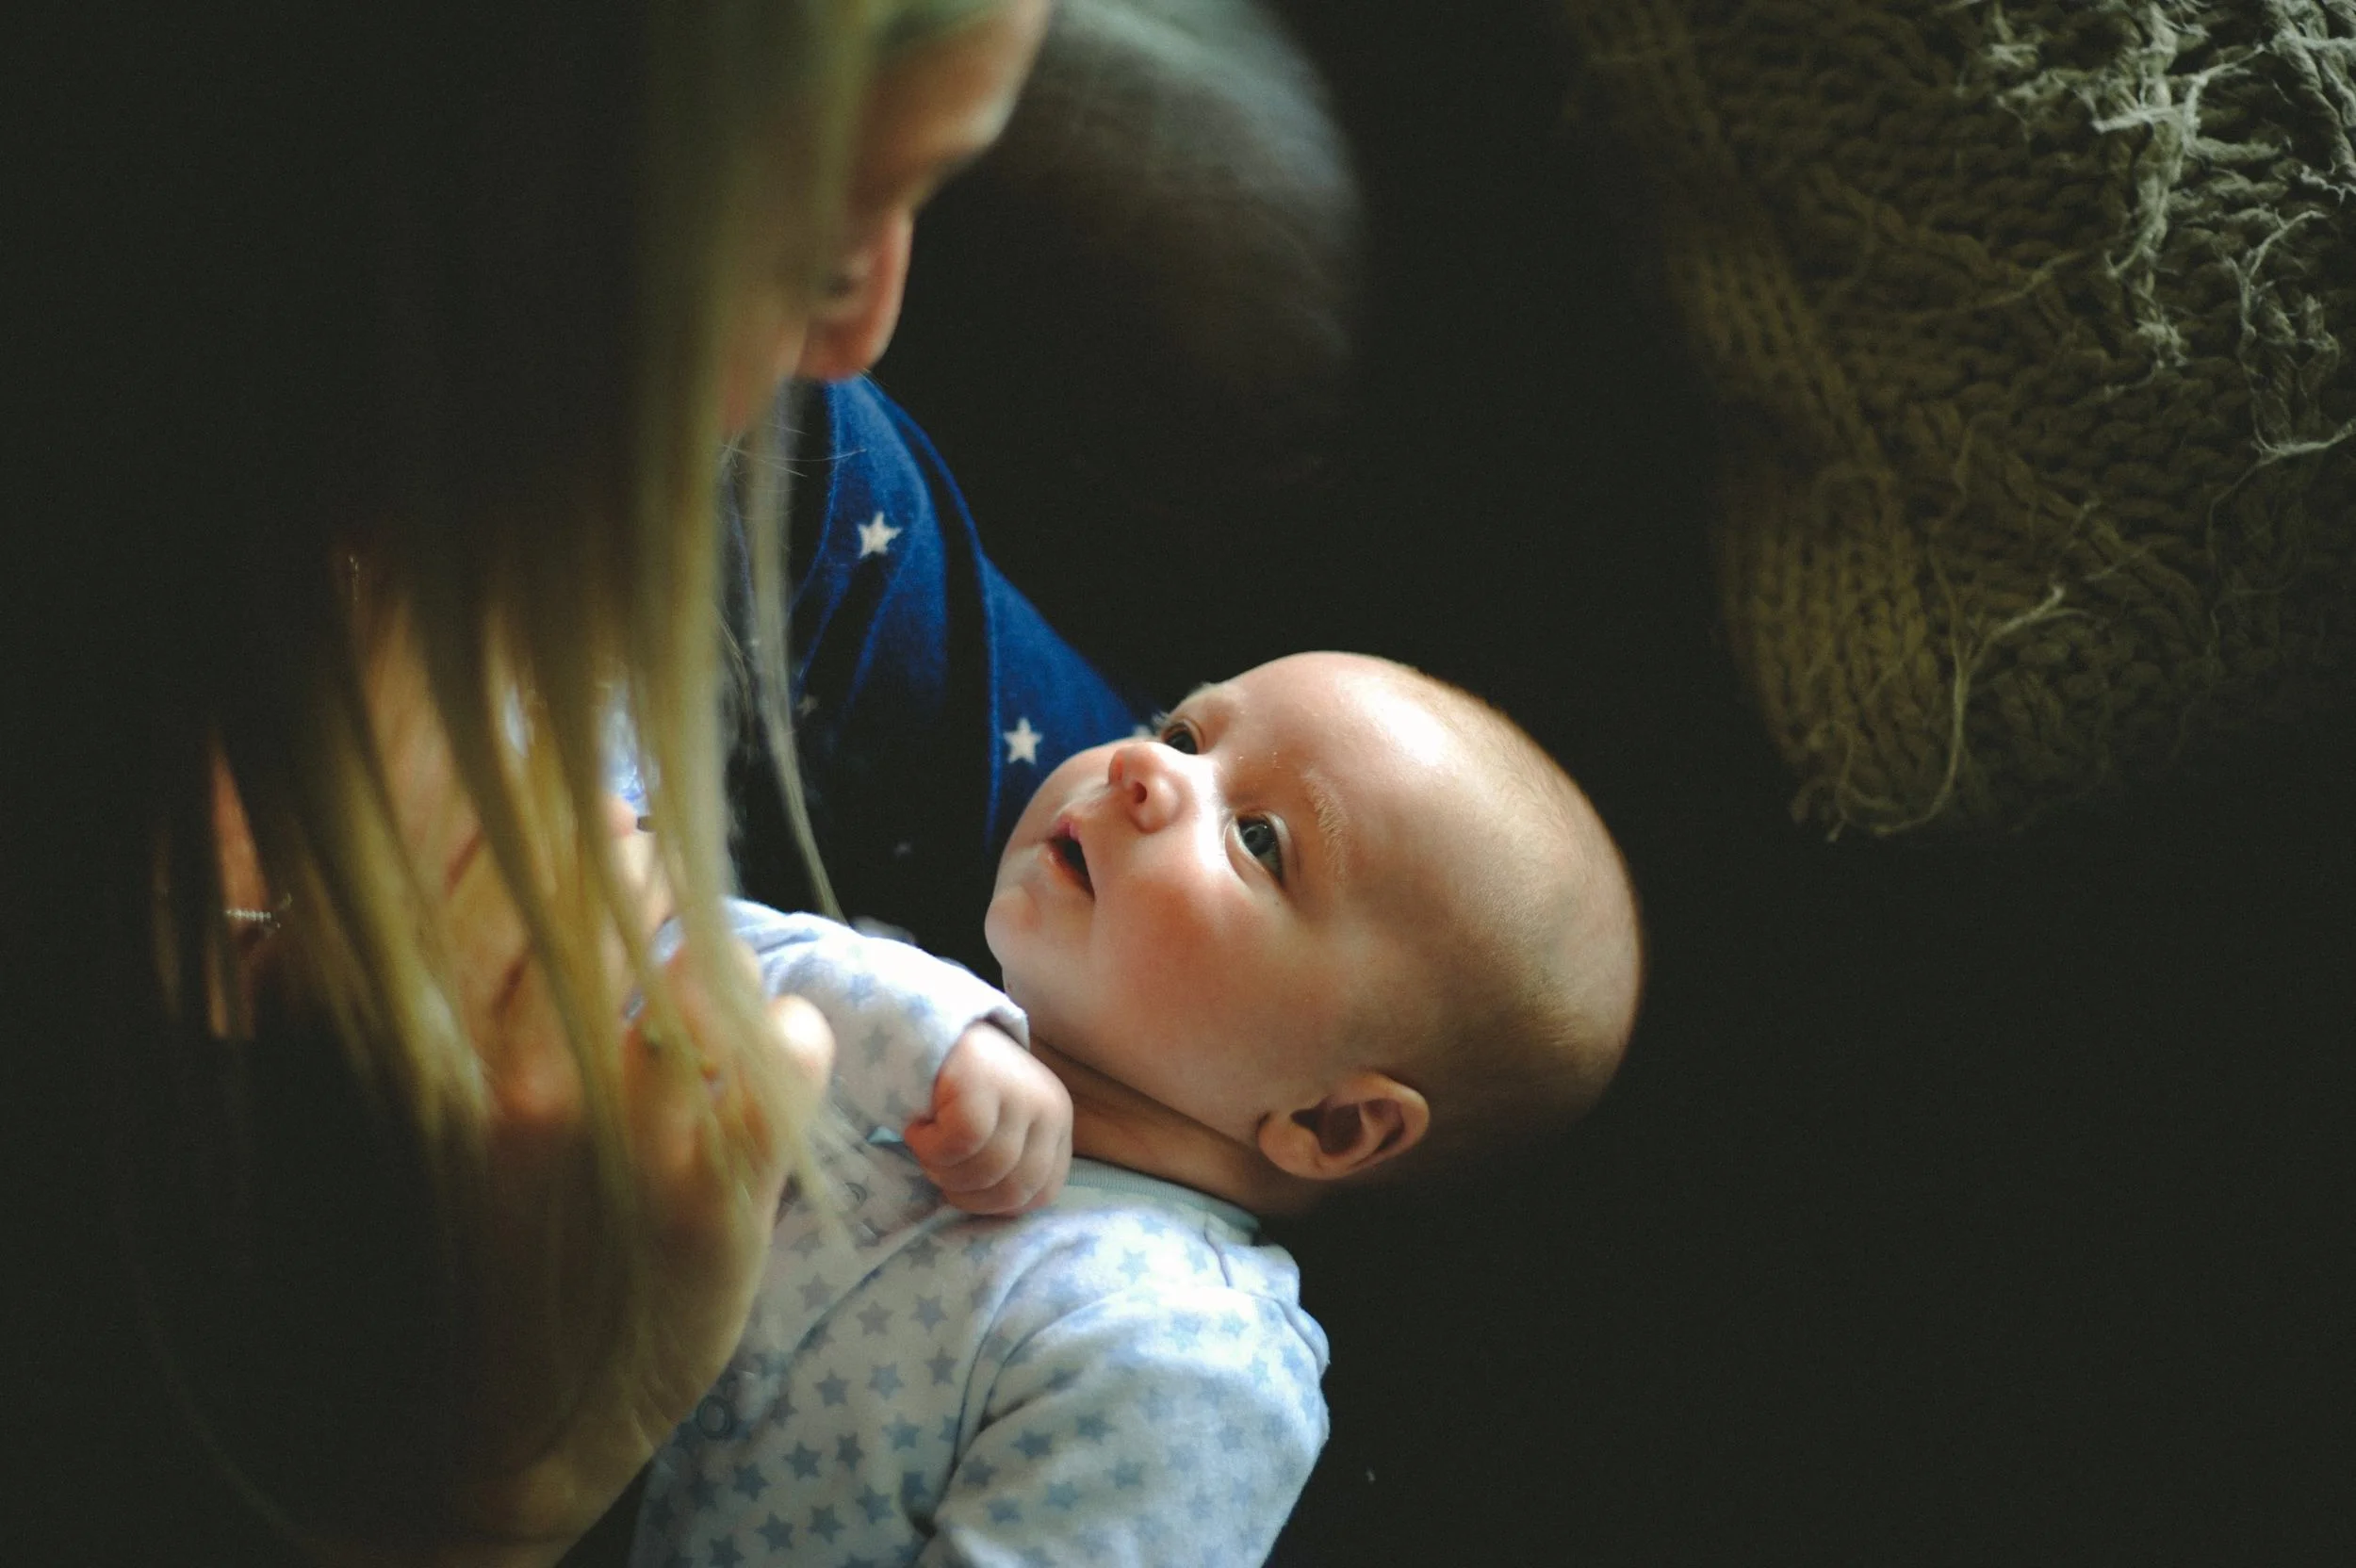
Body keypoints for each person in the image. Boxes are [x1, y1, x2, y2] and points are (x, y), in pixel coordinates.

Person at [19, 4, 1055, 1564]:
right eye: (816, 237)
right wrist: (504, 1484)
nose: (862, 331)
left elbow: (1330, 977)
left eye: (915, 189)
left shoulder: (802, 492)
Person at [631, 648, 1643, 1566]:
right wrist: (924, 1028)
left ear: (1332, 1122)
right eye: (1182, 731)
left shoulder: (1188, 1352)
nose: (1142, 769)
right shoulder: (895, 998)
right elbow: (647, 949)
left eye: (1258, 838)